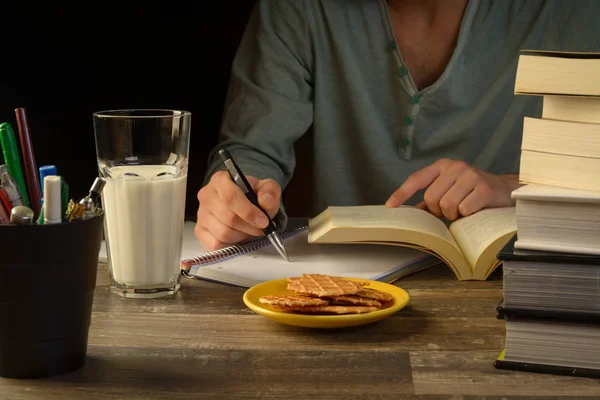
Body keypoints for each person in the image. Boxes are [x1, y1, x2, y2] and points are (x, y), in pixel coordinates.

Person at [195, 0, 600, 250]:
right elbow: (252, 152)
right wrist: (238, 199)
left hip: (517, 279)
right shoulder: (299, 8)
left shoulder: (573, 10)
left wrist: (510, 187)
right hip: (342, 282)